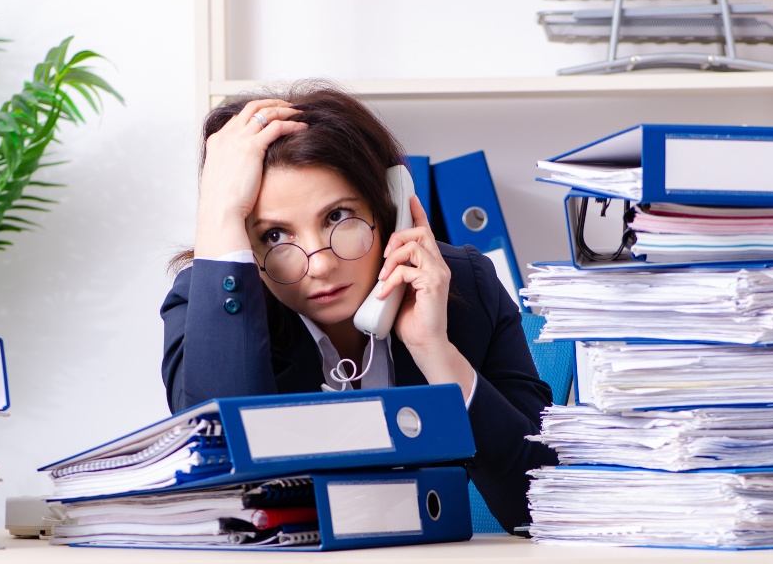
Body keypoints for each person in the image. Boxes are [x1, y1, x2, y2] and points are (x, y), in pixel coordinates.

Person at [161, 80, 558, 534]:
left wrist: (435, 352)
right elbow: (224, 501)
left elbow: (540, 505)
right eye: (275, 235)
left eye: (337, 217)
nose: (320, 265)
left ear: (387, 207)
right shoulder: (209, 304)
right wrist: (218, 211)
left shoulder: (465, 284)